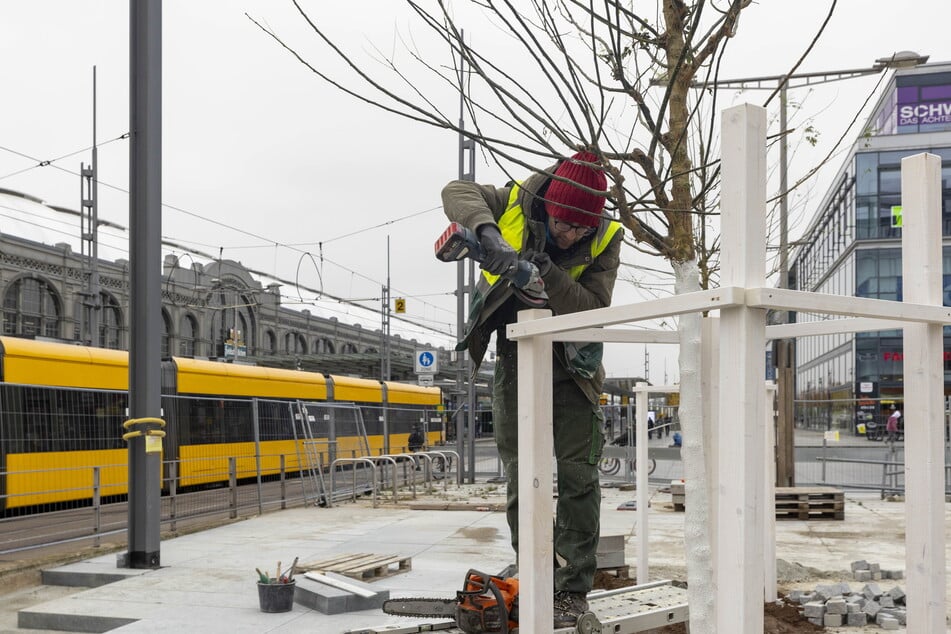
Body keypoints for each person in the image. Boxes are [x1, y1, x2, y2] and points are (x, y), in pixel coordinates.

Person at [442, 150, 623, 628]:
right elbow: (455, 192)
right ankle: (536, 568)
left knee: (579, 476)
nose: (571, 235)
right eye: (564, 225)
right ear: (549, 206)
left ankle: (573, 588)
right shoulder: (515, 202)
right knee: (523, 470)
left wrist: (545, 273)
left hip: (575, 365)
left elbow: (592, 308)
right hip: (515, 355)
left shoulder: (605, 235)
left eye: (580, 230)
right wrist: (487, 233)